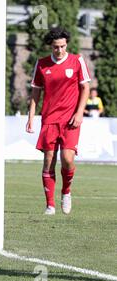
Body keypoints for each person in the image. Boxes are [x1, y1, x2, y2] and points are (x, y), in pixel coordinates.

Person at [26, 27, 91, 215]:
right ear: (51, 46)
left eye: (63, 46)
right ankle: (50, 205)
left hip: (71, 119)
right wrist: (31, 117)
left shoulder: (77, 60)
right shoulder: (42, 64)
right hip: (49, 119)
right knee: (48, 160)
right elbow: (35, 94)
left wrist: (79, 113)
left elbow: (85, 88)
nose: (60, 50)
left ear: (66, 45)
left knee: (68, 159)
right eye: (56, 47)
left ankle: (66, 191)